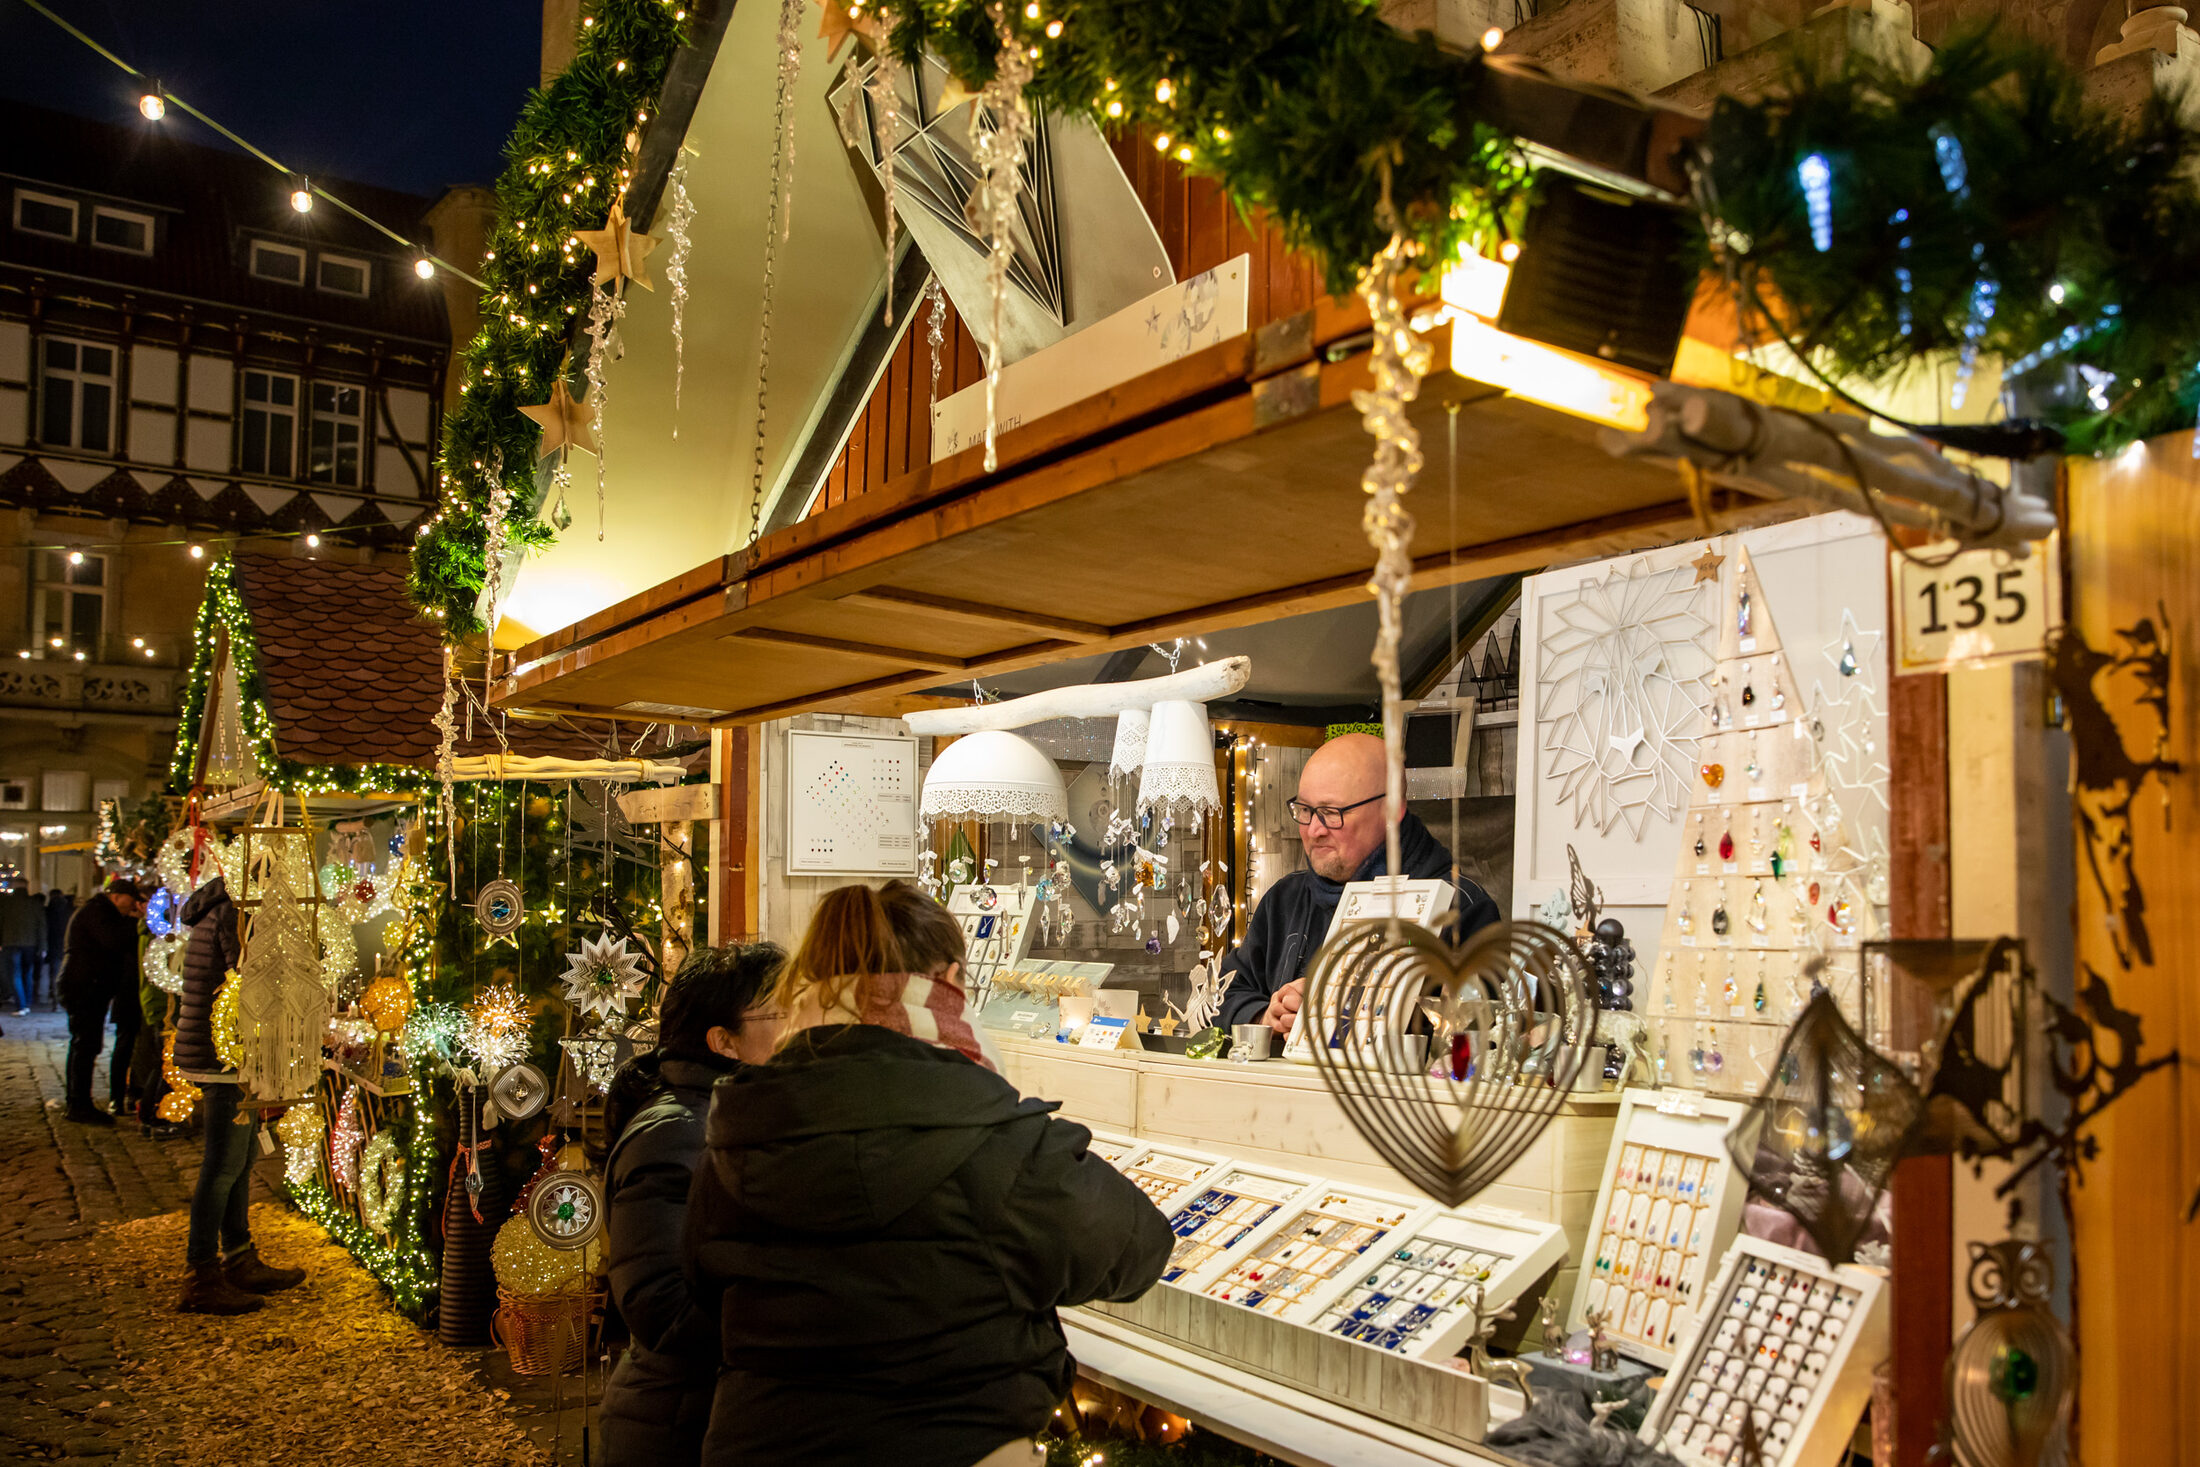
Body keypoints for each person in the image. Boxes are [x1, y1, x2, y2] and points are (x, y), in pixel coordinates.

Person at [690, 881, 1172, 1466]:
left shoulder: (741, 1123)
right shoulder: (994, 1134)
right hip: (955, 1444)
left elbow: (702, 1286)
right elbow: (1136, 1248)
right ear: (948, 979)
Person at [598, 941, 786, 1466]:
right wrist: (796, 1312)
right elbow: (659, 1305)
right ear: (724, 1040)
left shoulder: (741, 1118)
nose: (801, 1025)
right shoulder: (676, 1134)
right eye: (780, 1012)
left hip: (717, 1410)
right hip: (673, 1422)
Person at [1216, 732, 1502, 1035]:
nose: (1314, 830)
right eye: (1304, 810)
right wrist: (1267, 1018)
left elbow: (1478, 1035)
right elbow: (1222, 996)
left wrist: (1337, 1012)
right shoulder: (1284, 900)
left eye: (1330, 813)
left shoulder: (1460, 909)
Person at [170, 873, 303, 1313]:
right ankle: (201, 1272)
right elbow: (249, 976)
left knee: (240, 1160)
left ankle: (238, 1256)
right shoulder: (232, 912)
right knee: (224, 1163)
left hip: (224, 1050)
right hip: (225, 1054)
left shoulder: (220, 907)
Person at [57, 877, 147, 1124]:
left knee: (84, 1046)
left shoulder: (99, 911)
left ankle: (77, 1101)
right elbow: (116, 941)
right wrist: (137, 923)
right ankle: (78, 1105)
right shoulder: (99, 913)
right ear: (117, 896)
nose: (134, 905)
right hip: (83, 987)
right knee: (84, 1046)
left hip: (87, 986)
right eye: (132, 900)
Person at [2, 879, 43, 1016]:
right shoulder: (34, 904)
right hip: (30, 944)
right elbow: (41, 926)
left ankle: (21, 1005)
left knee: (15, 974)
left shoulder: (7, 904)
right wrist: (42, 946)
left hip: (11, 942)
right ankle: (27, 1003)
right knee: (27, 973)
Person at [43, 887, 74, 1007]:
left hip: (53, 946)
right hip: (68, 946)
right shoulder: (70, 910)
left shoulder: (48, 911)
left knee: (55, 973)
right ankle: (65, 997)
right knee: (67, 973)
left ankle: (56, 999)